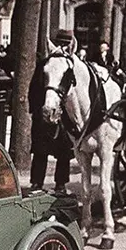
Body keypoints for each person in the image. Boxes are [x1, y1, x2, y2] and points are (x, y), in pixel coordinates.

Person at [29, 47, 72, 193]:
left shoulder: (69, 66)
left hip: (63, 114)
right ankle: (37, 182)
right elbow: (34, 88)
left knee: (64, 151)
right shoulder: (43, 66)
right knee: (40, 150)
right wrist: (37, 110)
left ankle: (61, 183)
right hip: (44, 111)